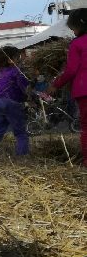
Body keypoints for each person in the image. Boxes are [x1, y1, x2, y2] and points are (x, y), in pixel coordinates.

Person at [49, 9, 87, 165]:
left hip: (84, 89)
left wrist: (55, 84)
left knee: (86, 127)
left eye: (73, 26)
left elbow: (71, 70)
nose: (72, 30)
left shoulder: (77, 43)